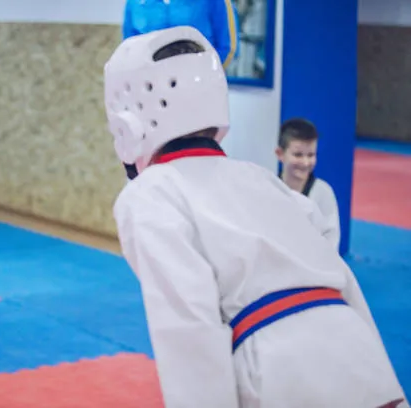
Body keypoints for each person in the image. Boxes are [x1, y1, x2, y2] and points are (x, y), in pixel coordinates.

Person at [104, 25, 407, 408]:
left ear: (126, 126)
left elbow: (189, 328)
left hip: (280, 372)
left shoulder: (150, 195)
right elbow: (342, 278)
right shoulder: (263, 179)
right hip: (361, 357)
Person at [276, 117, 341, 249]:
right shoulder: (270, 188)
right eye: (298, 155)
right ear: (280, 154)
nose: (305, 162)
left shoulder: (323, 193)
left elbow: (331, 241)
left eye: (311, 155)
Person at [122, 0, 239, 69]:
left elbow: (228, 47)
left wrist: (206, 75)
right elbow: (130, 49)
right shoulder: (135, 2)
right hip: (151, 88)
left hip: (199, 87)